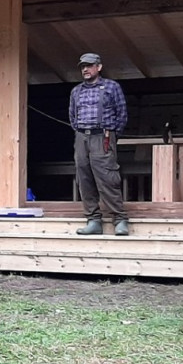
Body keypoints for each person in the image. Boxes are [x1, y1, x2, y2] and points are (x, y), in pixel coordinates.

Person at [69, 52, 129, 236]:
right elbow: (72, 116)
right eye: (82, 67)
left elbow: (122, 114)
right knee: (84, 178)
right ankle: (93, 220)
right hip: (81, 137)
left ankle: (119, 219)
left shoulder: (111, 87)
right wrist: (81, 134)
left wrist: (111, 135)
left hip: (103, 135)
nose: (85, 69)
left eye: (89, 65)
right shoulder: (76, 91)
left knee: (107, 177)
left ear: (99, 67)